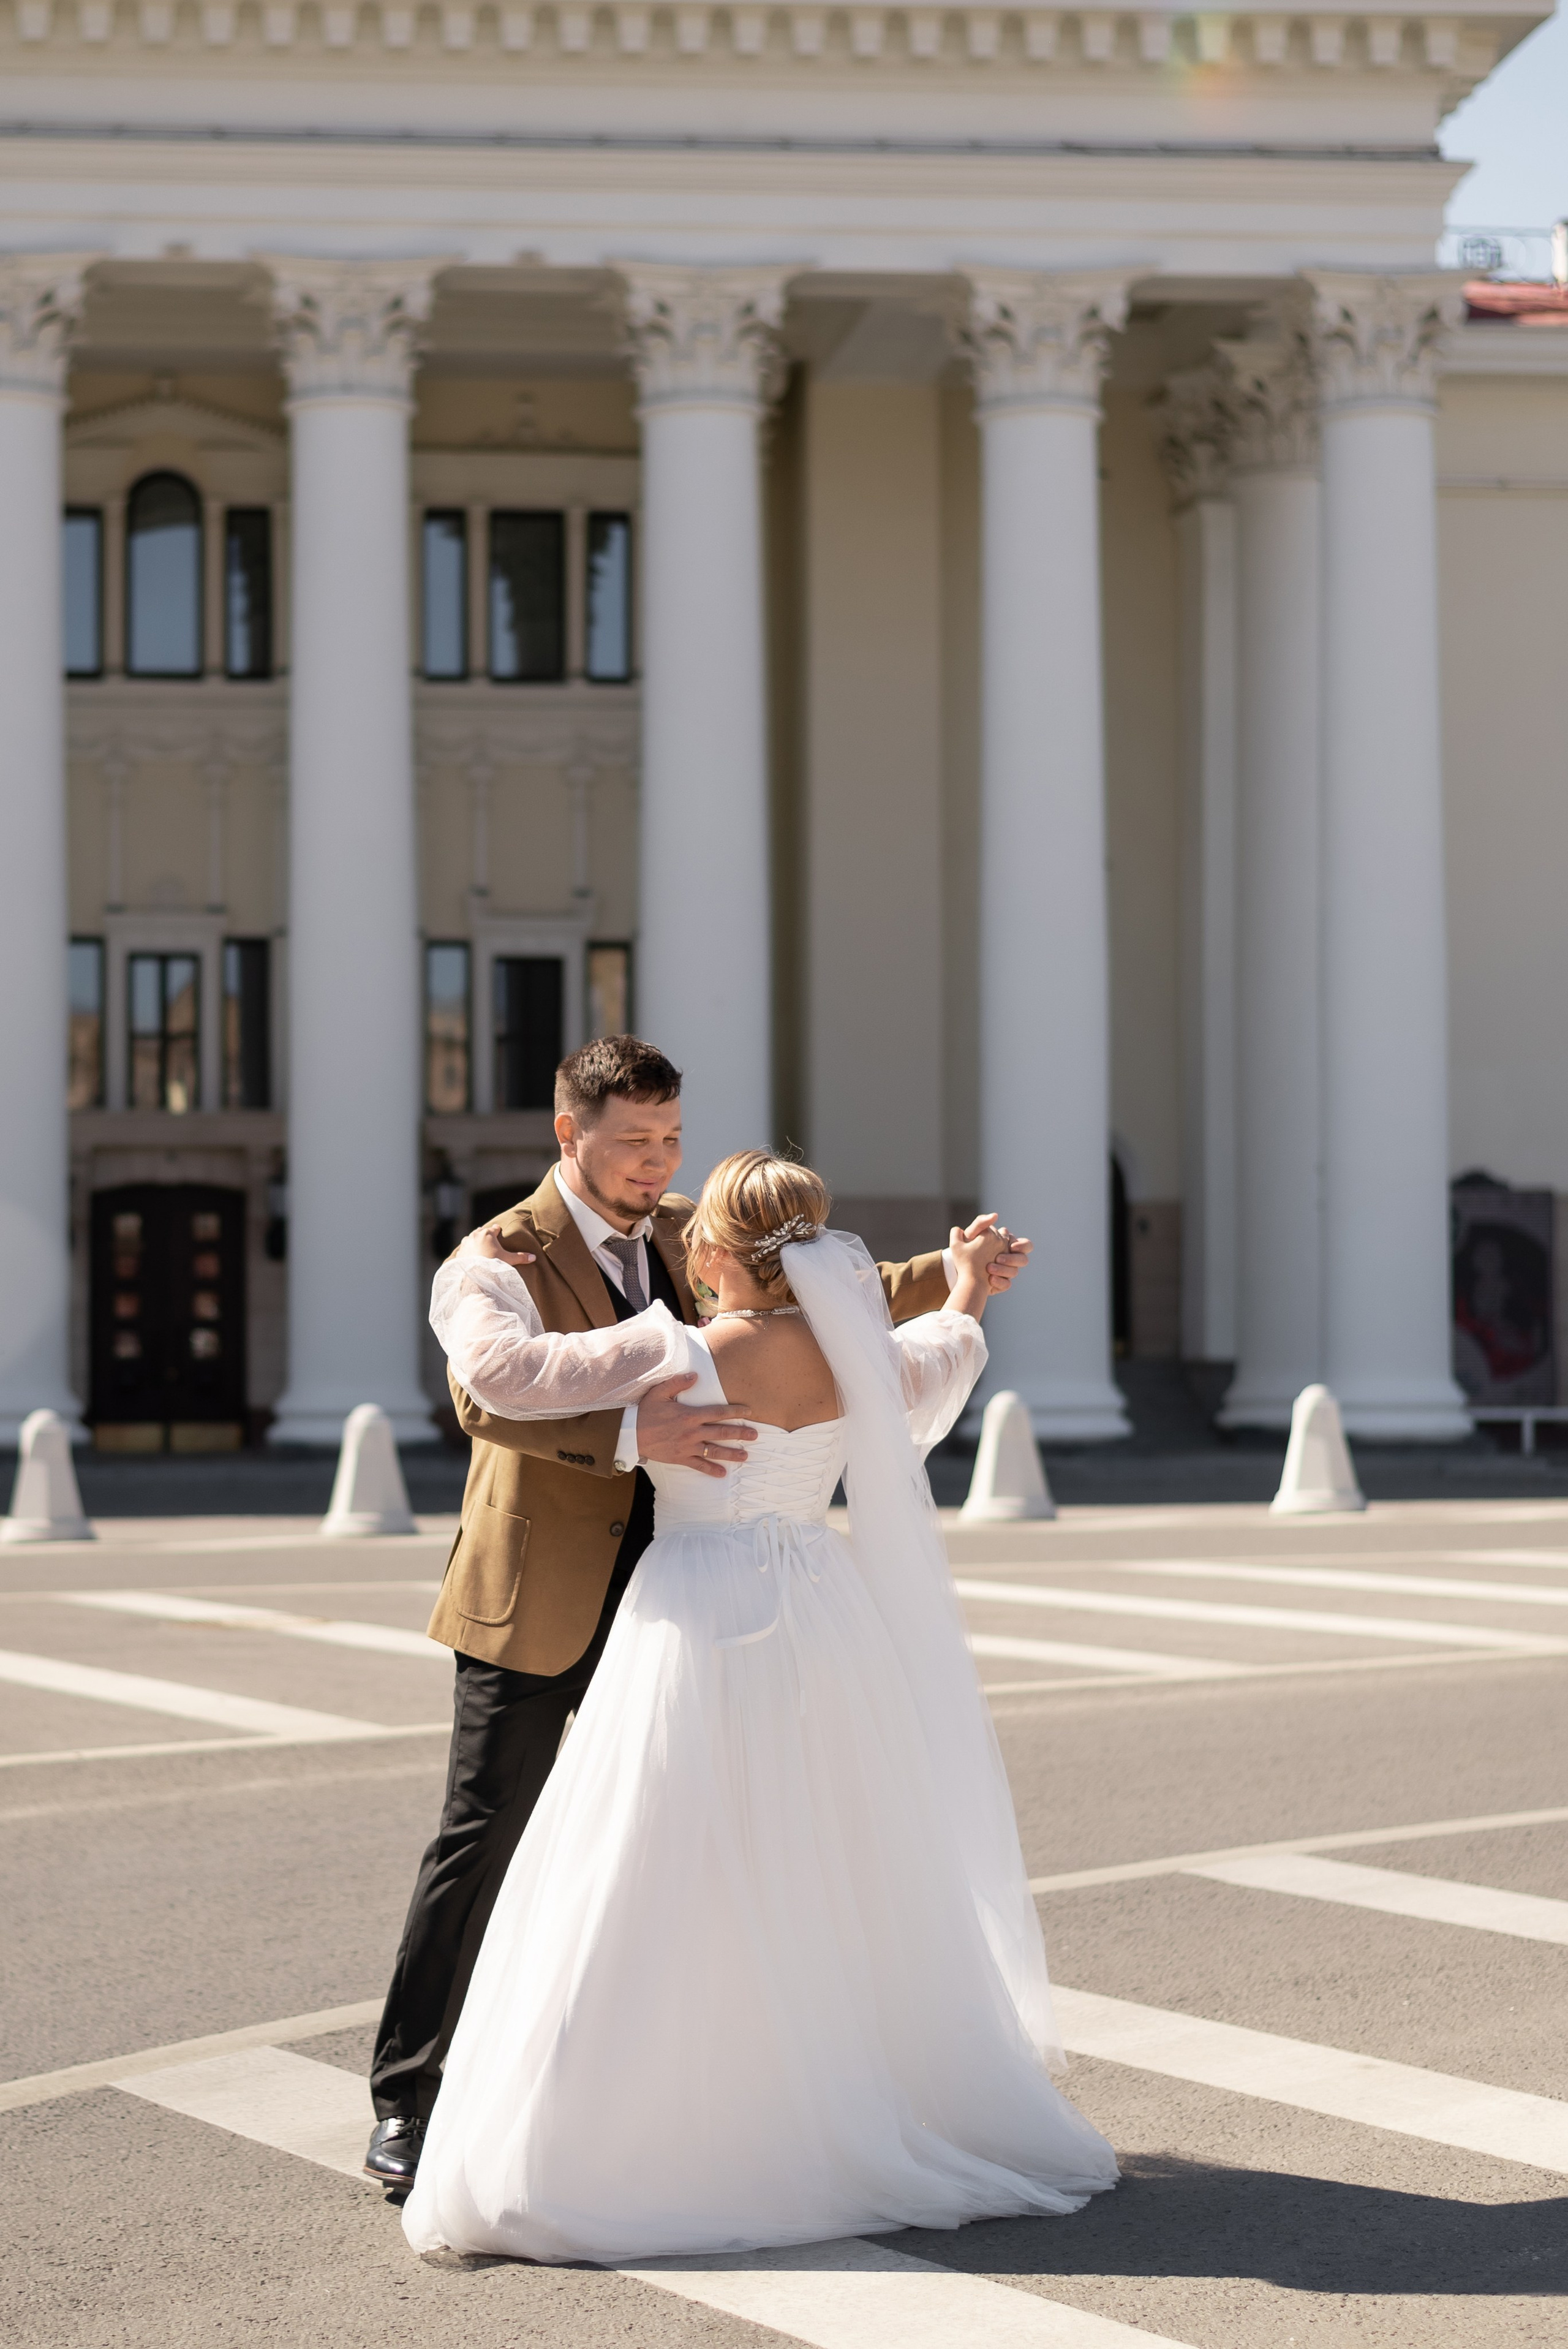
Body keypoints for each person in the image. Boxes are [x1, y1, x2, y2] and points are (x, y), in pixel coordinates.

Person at [399, 1149, 1117, 2263]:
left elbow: (514, 1376)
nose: (685, 1247)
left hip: (694, 1612)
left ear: (721, 1252)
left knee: (659, 1856)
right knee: (826, 1853)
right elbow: (947, 1356)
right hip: (820, 1611)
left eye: (700, 1240)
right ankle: (830, 2102)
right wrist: (968, 1283)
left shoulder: (677, 1351)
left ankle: (659, 2121)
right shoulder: (855, 1358)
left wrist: (478, 1270)